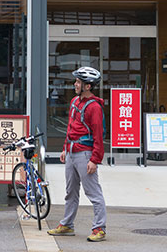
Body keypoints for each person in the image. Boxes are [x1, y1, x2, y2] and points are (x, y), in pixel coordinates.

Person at [47, 66, 107, 242]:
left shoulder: (94, 107)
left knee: (93, 193)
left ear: (88, 86)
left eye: (78, 82)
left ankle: (99, 228)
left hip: (85, 155)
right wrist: (65, 148)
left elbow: (98, 135)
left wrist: (95, 160)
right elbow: (71, 127)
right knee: (70, 192)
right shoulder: (74, 102)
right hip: (72, 153)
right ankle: (67, 225)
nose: (75, 84)